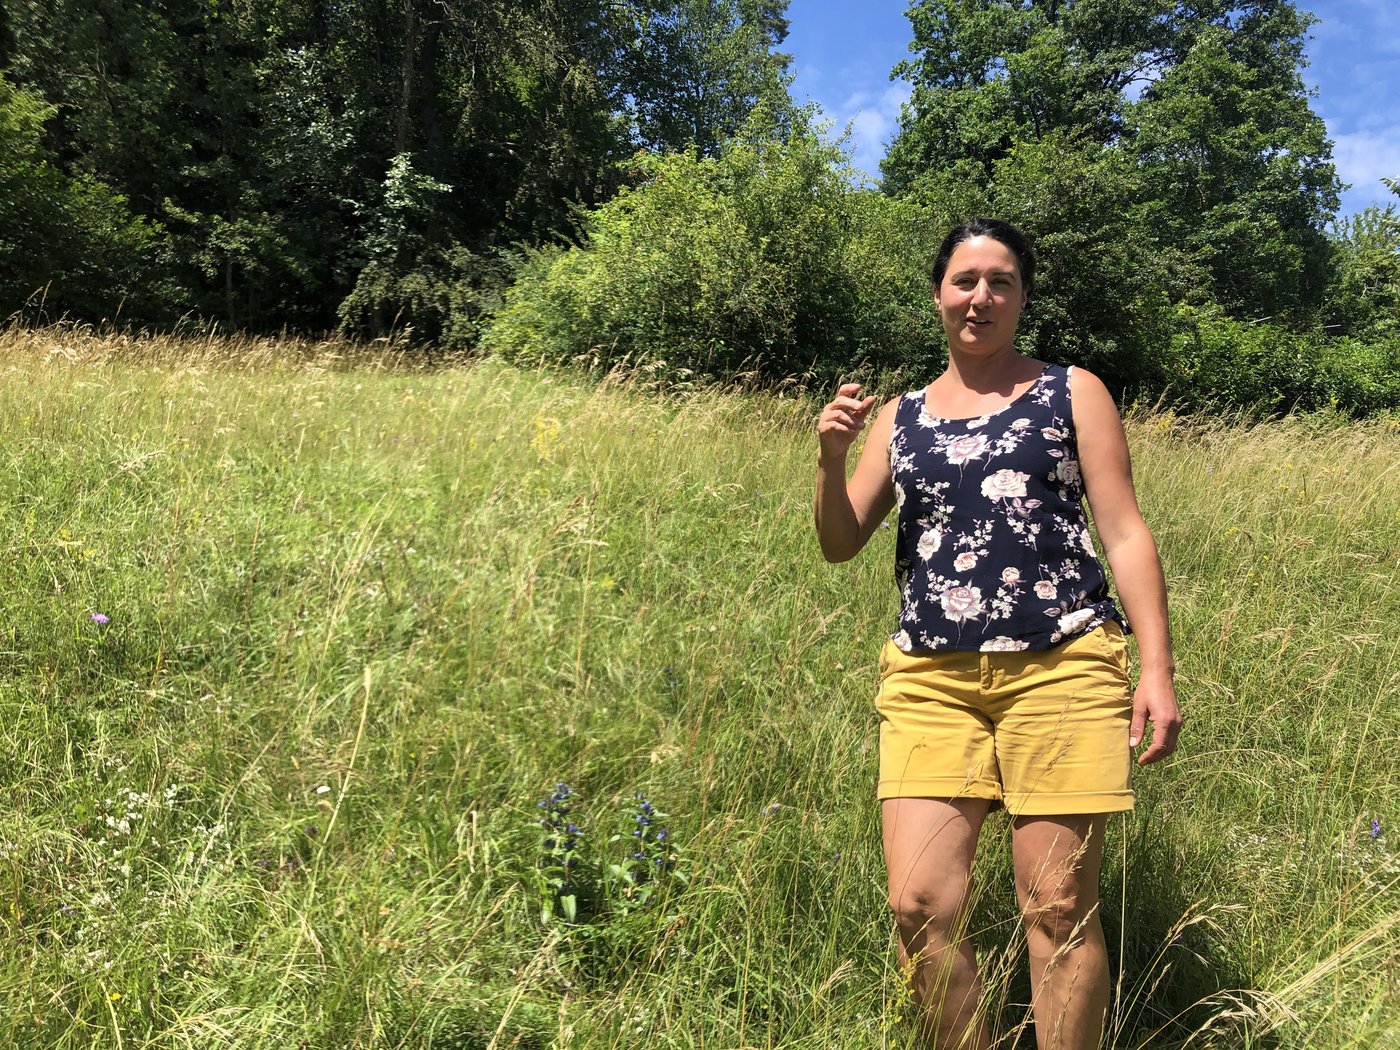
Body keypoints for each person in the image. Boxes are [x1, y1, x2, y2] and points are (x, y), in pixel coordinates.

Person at [813, 218, 1181, 1049]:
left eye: (1001, 281)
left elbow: (1123, 531)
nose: (981, 296)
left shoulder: (1070, 390)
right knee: (918, 905)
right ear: (939, 293)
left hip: (1064, 664)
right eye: (965, 280)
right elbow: (840, 543)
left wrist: (1155, 669)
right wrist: (830, 463)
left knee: (1054, 905)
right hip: (929, 676)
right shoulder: (899, 417)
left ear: (1022, 296)